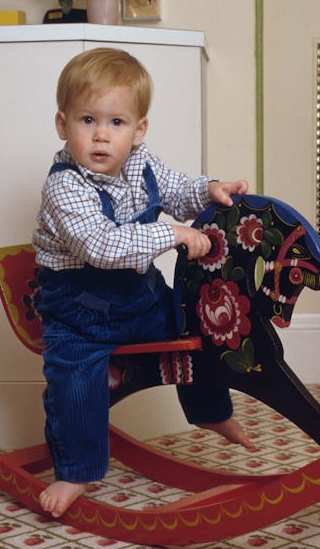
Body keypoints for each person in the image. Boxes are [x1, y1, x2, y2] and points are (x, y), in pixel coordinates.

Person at [32, 47, 252, 519]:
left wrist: (207, 190)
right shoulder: (65, 186)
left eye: (116, 123)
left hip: (141, 298)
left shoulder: (141, 164)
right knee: (73, 383)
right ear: (62, 124)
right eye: (87, 119)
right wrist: (171, 232)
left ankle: (211, 410)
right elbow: (102, 246)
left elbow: (173, 188)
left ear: (138, 130)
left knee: (199, 329)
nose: (100, 135)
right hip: (79, 313)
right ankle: (74, 470)